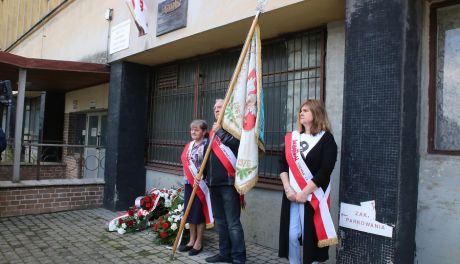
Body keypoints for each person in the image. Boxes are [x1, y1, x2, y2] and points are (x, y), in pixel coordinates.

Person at [278, 99, 338, 264]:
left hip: (313, 197)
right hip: (292, 196)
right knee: (291, 235)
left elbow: (325, 171)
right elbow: (282, 163)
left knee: (311, 237)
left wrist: (305, 192)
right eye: (300, 111)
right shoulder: (293, 138)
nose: (301, 113)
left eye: (305, 110)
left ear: (316, 113)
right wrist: (288, 188)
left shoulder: (326, 139)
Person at [205, 99, 246, 264]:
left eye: (220, 107)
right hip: (213, 183)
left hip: (229, 183)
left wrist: (220, 132)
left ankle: (238, 257)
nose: (216, 109)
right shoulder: (212, 132)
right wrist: (204, 174)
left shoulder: (234, 128)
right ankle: (224, 254)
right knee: (220, 222)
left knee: (233, 223)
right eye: (214, 107)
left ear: (227, 110)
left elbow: (239, 145)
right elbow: (209, 157)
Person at [178, 119, 213, 256]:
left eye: (197, 129)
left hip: (201, 186)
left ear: (204, 131)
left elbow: (210, 165)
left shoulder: (207, 146)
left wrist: (204, 176)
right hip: (189, 183)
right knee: (190, 212)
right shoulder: (189, 145)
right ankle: (191, 240)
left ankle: (199, 242)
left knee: (199, 213)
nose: (193, 132)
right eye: (192, 129)